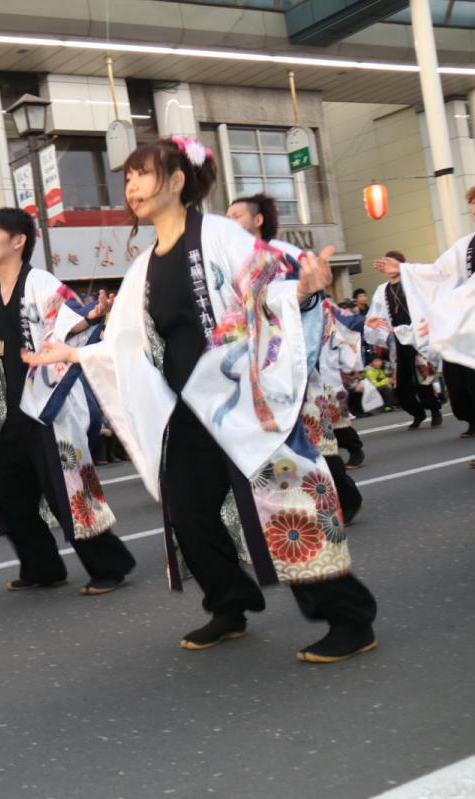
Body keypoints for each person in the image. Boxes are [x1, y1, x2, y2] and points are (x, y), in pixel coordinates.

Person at [29, 136, 377, 662]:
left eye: (142, 174)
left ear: (174, 181)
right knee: (188, 511)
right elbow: (126, 342)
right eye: (126, 177)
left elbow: (266, 289)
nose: (132, 186)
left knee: (287, 505)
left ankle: (350, 618)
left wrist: (301, 291)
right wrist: (76, 355)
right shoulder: (144, 266)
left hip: (245, 402)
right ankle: (230, 603)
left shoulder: (219, 235)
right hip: (188, 410)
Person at [0, 207, 136, 595]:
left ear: (18, 241)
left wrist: (89, 319)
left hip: (46, 409)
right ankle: (43, 567)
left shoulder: (39, 282)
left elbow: (68, 317)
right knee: (6, 494)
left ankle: (110, 564)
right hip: (7, 416)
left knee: (66, 489)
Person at [227, 194, 363, 521]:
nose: (228, 221)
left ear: (258, 220)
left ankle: (344, 498)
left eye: (236, 215)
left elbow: (309, 305)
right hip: (254, 368)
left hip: (293, 364)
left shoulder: (285, 255)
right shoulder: (229, 260)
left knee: (313, 439)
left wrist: (298, 357)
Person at [392, 185, 475, 438]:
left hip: (464, 316)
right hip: (465, 322)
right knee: (460, 382)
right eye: (472, 206)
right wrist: (405, 269)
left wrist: (443, 313)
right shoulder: (466, 245)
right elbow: (439, 273)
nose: (473, 210)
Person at [366, 251, 444, 430]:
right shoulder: (382, 289)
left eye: (392, 262)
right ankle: (417, 413)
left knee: (423, 378)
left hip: (416, 335)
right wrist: (378, 327)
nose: (388, 266)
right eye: (385, 262)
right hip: (397, 338)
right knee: (401, 384)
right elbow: (376, 314)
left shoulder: (413, 284)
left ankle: (434, 409)